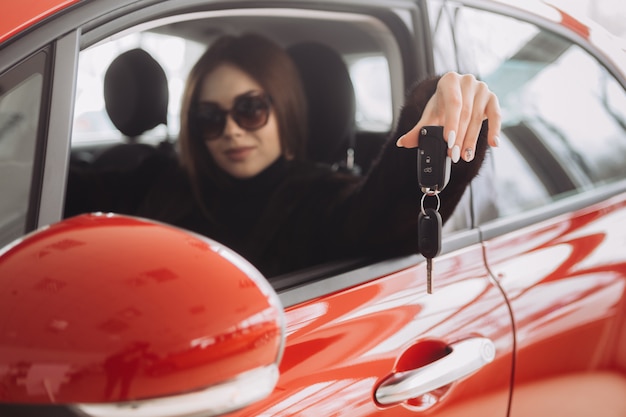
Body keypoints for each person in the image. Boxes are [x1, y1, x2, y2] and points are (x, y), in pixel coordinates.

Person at [66, 33, 500, 277]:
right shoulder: (160, 179)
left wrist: (438, 112)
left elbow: (384, 219)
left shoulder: (315, 197)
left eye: (250, 109)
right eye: (210, 117)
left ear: (283, 108)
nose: (232, 129)